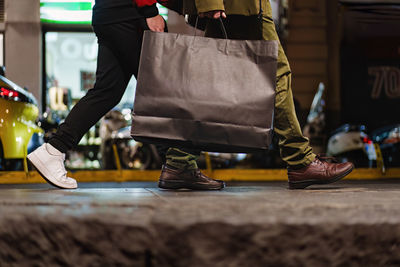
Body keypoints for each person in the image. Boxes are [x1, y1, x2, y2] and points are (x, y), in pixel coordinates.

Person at [28, 0, 225, 190]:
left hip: (110, 13)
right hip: (130, 14)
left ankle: (53, 150)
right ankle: (179, 168)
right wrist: (149, 10)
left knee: (108, 91)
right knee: (163, 91)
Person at [165, 0, 354, 189]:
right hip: (239, 5)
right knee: (275, 73)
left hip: (238, 6)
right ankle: (300, 160)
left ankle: (179, 163)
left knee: (208, 81)